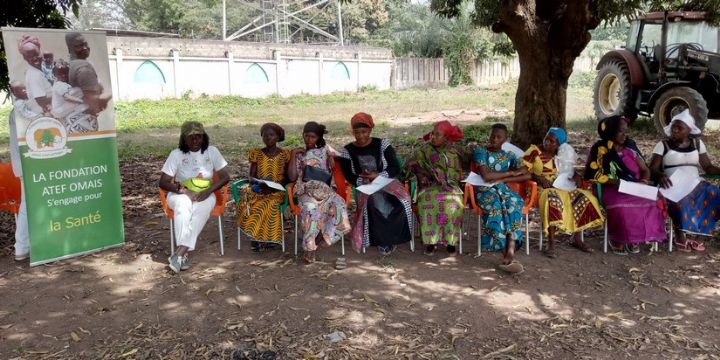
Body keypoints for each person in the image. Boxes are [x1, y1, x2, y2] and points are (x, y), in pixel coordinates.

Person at [584, 115, 666, 254]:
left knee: (652, 201)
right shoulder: (600, 149)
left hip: (633, 187)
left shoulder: (630, 147)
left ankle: (635, 237)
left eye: (626, 131)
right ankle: (619, 239)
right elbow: (593, 174)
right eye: (621, 131)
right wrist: (615, 182)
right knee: (621, 205)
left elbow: (645, 169)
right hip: (609, 188)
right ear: (610, 131)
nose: (625, 135)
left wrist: (643, 182)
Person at [523, 127, 605, 258]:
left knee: (584, 197)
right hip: (541, 188)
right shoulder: (534, 151)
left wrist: (576, 176)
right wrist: (538, 177)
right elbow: (522, 171)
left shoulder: (561, 154)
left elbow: (568, 171)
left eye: (552, 141)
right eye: (547, 138)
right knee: (553, 199)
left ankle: (577, 238)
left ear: (559, 145)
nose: (547, 142)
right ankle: (550, 244)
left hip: (561, 186)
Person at [159, 121, 230, 273]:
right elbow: (163, 182)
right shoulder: (176, 154)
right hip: (180, 193)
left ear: (204, 137)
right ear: (183, 139)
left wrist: (209, 191)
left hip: (205, 193)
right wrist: (183, 190)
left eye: (199, 136)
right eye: (190, 137)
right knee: (183, 205)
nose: (195, 140)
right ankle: (181, 255)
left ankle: (180, 253)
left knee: (201, 210)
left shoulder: (212, 151)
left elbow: (225, 177)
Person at [338, 112, 412, 255]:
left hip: (387, 181)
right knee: (377, 203)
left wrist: (378, 176)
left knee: (402, 201)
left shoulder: (382, 144)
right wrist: (363, 180)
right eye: (357, 132)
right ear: (352, 132)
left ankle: (396, 235)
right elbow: (348, 174)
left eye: (364, 132)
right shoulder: (348, 150)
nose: (360, 136)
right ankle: (384, 241)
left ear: (370, 130)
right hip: (365, 186)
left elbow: (395, 167)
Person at [649, 110, 720, 252]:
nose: (675, 130)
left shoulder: (697, 143)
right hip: (673, 186)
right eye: (673, 127)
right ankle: (679, 236)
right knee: (682, 200)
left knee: (716, 195)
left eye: (679, 128)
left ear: (688, 130)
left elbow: (708, 167)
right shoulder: (663, 145)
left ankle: (700, 236)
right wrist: (659, 176)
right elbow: (652, 168)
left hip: (696, 184)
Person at [287, 121, 350, 263]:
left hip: (325, 190)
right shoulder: (299, 155)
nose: (309, 139)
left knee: (339, 205)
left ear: (319, 138)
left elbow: (345, 159)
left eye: (313, 137)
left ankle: (321, 239)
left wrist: (331, 157)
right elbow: (291, 177)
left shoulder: (325, 149)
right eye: (306, 136)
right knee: (311, 209)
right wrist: (293, 154)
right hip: (306, 191)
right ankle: (309, 250)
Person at [473, 123, 529, 273]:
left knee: (514, 203)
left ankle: (510, 249)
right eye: (493, 136)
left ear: (506, 139)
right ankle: (505, 253)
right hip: (484, 190)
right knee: (496, 207)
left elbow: (527, 173)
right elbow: (486, 176)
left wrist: (507, 178)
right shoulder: (481, 151)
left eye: (499, 137)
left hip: (503, 188)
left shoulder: (510, 155)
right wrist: (510, 174)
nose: (494, 139)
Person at [408, 120, 465, 256]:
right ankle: (431, 242)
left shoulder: (454, 150)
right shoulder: (424, 149)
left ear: (446, 137)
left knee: (453, 204)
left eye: (437, 135)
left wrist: (447, 179)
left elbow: (458, 171)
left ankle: (450, 242)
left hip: (450, 186)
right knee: (428, 202)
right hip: (429, 186)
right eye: (432, 134)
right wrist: (421, 174)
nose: (433, 137)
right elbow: (413, 165)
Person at [236, 123, 291, 252]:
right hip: (260, 188)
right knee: (247, 201)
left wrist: (275, 186)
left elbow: (288, 177)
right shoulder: (257, 153)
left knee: (269, 204)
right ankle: (256, 236)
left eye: (271, 135)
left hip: (277, 190)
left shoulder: (285, 154)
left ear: (278, 137)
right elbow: (251, 176)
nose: (268, 138)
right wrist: (260, 183)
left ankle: (266, 239)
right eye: (265, 135)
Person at [65, 32, 112, 132]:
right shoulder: (84, 68)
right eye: (79, 46)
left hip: (72, 123)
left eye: (85, 44)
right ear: (70, 49)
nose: (85, 48)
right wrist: (110, 94)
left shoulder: (70, 64)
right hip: (84, 124)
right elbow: (95, 105)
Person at [8, 110, 29, 261]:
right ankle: (22, 247)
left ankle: (23, 247)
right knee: (28, 205)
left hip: (24, 164)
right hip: (28, 165)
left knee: (27, 206)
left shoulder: (16, 111)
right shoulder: (21, 111)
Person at [18, 35, 52, 116]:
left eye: (36, 54)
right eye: (29, 56)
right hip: (45, 113)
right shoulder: (34, 75)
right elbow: (41, 101)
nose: (34, 58)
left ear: (40, 51)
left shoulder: (41, 69)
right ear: (24, 58)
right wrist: (58, 93)